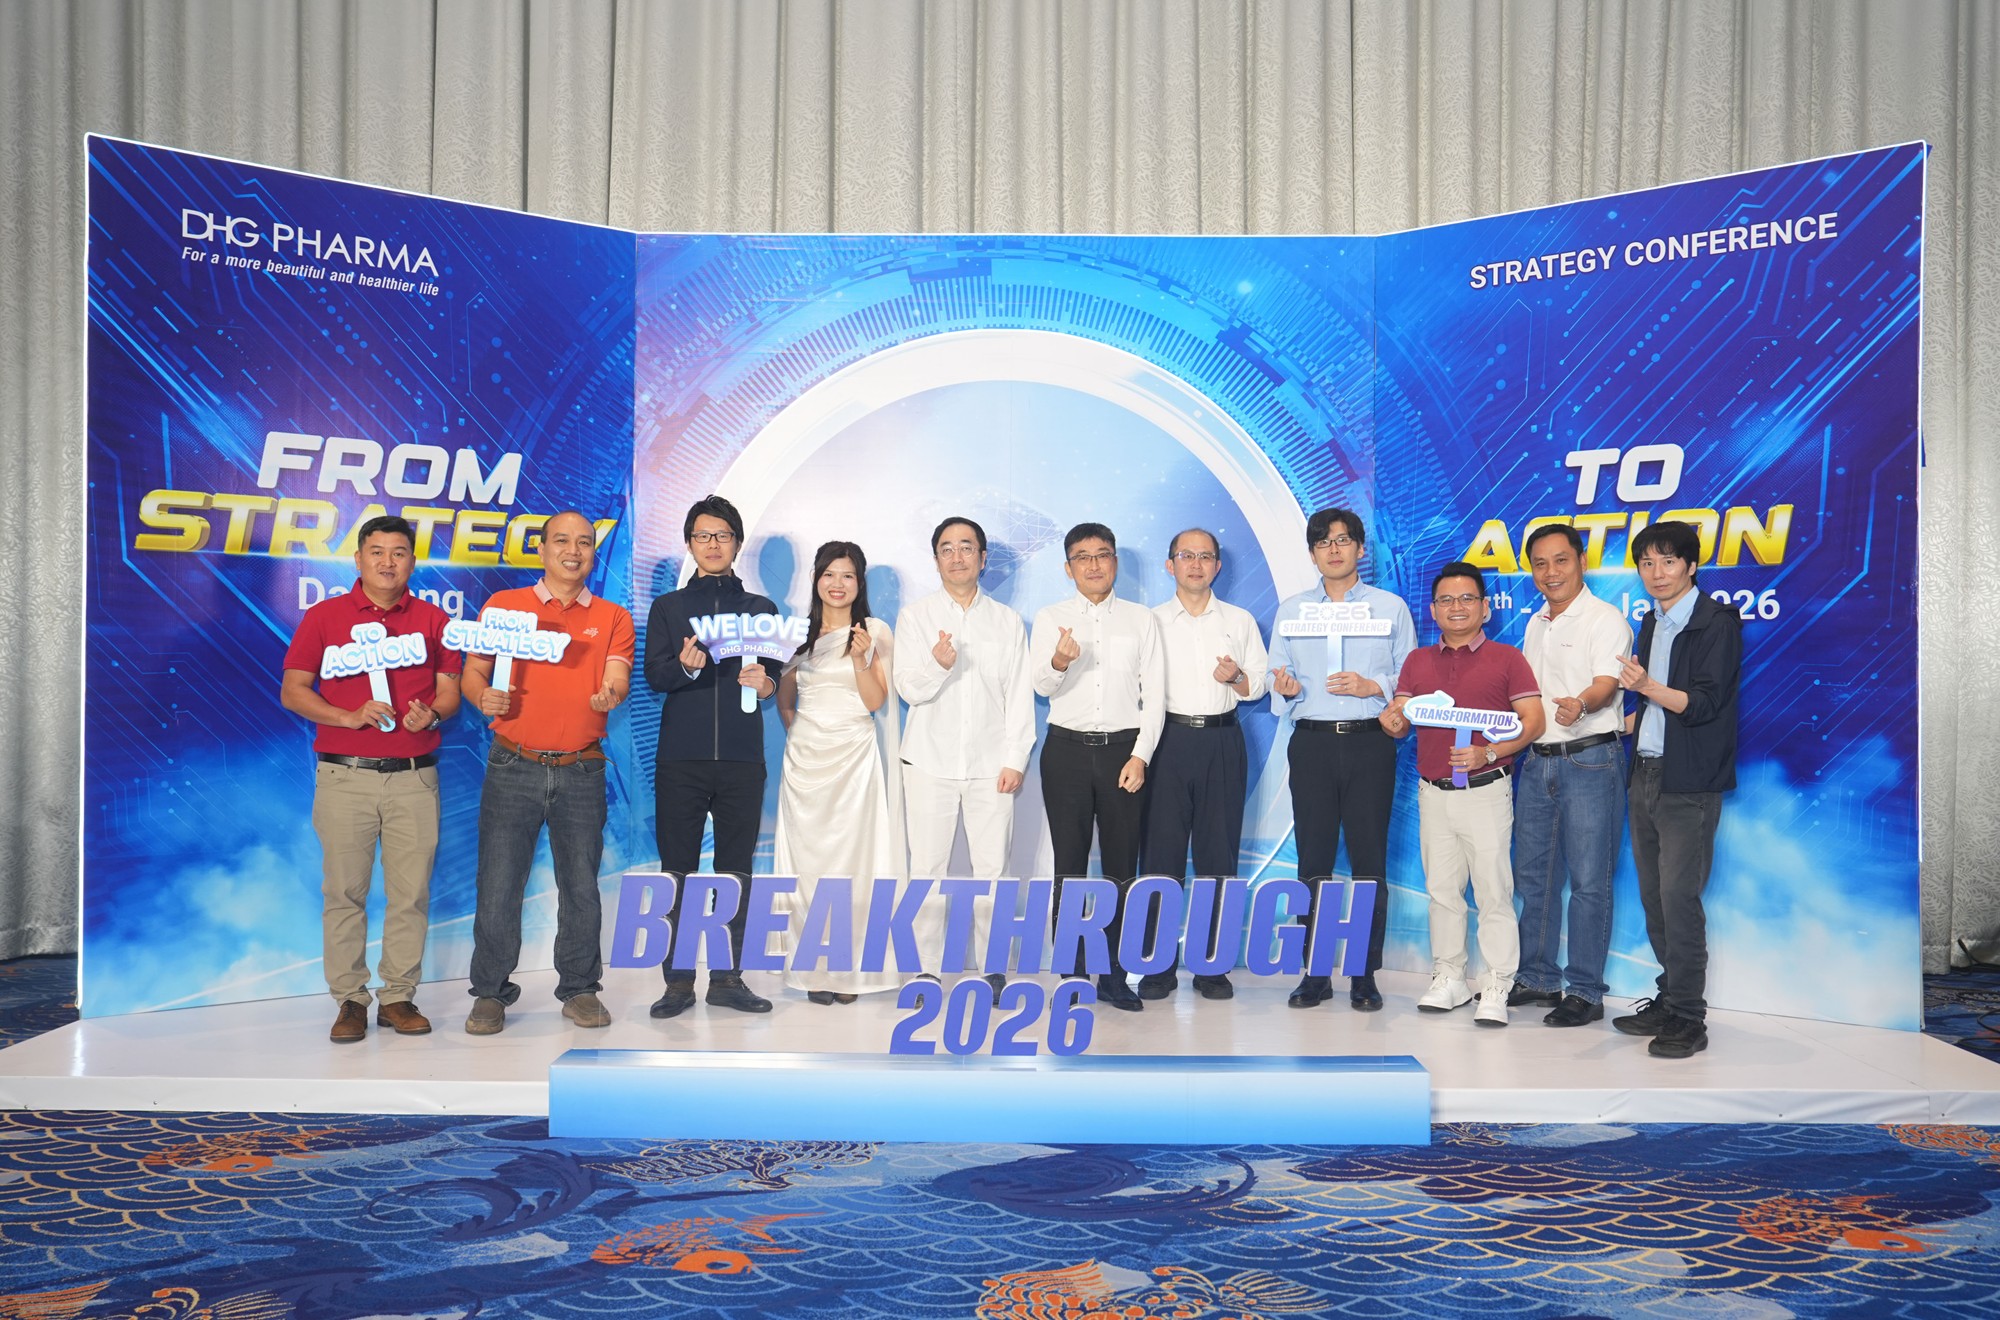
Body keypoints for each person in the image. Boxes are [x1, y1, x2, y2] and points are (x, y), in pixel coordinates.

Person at [280, 514, 462, 1044]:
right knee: (344, 892)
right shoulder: (325, 617)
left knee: (411, 894)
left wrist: (432, 713)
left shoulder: (433, 620)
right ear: (358, 559)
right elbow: (294, 690)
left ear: (412, 561)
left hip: (414, 780)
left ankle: (398, 996)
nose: (387, 562)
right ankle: (350, 1001)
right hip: (345, 777)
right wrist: (348, 715)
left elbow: (450, 692)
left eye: (398, 553)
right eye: (377, 552)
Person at [461, 511, 634, 1035]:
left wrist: (610, 694)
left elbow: (618, 675)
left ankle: (580, 989)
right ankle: (489, 993)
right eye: (562, 540)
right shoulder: (504, 606)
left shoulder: (612, 616)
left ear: (593, 553)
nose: (573, 551)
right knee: (498, 884)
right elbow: (474, 672)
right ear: (541, 549)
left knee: (581, 885)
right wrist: (481, 696)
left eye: (584, 542)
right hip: (513, 763)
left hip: (582, 768)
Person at [1381, 562, 1543, 1026]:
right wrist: (1392, 721)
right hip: (1433, 793)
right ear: (1433, 609)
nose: (1457, 607)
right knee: (1442, 891)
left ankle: (1497, 983)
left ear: (1485, 608)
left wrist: (1488, 753)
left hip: (1486, 791)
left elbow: (1534, 722)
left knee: (1493, 890)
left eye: (1467, 598)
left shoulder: (1508, 659)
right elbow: (1401, 720)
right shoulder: (1417, 662)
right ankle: (1449, 977)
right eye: (1447, 600)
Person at [1267, 508, 1416, 1012]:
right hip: (1311, 743)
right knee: (1313, 861)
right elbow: (1275, 678)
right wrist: (1285, 687)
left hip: (1369, 743)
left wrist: (1374, 686)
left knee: (1369, 861)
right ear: (1312, 554)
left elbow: (1410, 678)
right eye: (1323, 542)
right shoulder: (1292, 610)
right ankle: (1314, 973)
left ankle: (1364, 974)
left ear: (1360, 549)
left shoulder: (1389, 607)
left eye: (1343, 540)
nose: (1334, 550)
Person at [643, 494, 777, 1019]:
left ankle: (727, 978)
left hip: (742, 761)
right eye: (703, 536)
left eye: (722, 535)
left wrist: (765, 684)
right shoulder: (669, 607)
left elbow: (773, 677)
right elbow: (655, 676)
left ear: (737, 544)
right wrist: (687, 668)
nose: (713, 544)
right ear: (690, 544)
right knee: (675, 870)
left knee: (735, 871)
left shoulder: (760, 610)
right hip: (682, 760)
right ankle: (677, 983)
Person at [1613, 519, 1742, 1059]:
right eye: (1647, 563)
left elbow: (1705, 704)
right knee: (1653, 898)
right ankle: (1670, 997)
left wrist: (1647, 687)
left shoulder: (1716, 623)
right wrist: (1621, 719)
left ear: (1691, 565)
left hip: (1688, 782)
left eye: (1668, 561)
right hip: (1644, 772)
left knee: (1679, 899)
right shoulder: (1653, 621)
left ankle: (1689, 1018)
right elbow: (1654, 706)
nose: (1657, 572)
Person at [893, 517, 1033, 999]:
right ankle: (925, 970)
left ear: (983, 558)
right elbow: (908, 689)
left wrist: (1015, 758)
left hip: (992, 766)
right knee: (927, 870)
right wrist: (938, 665)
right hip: (928, 762)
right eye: (947, 548)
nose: (957, 557)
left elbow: (1019, 696)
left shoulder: (1007, 622)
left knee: (994, 871)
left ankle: (994, 968)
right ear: (936, 559)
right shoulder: (915, 617)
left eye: (966, 547)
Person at [1029, 522, 1165, 1013]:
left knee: (1120, 868)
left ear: (1115, 562)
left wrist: (1141, 756)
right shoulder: (1051, 617)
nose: (1093, 564)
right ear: (1068, 569)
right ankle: (1070, 972)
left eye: (1102, 554)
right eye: (1082, 557)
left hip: (1122, 752)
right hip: (1065, 751)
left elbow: (1156, 697)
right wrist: (1059, 662)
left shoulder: (1141, 619)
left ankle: (1113, 975)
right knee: (1068, 865)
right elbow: (1041, 686)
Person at [1137, 528, 1268, 1001]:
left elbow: (1259, 686)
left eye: (1206, 556)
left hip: (1221, 740)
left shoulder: (1239, 620)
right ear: (1169, 564)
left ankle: (1213, 966)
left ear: (1218, 566)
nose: (1196, 564)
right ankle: (1155, 966)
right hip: (1166, 741)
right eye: (1186, 555)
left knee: (1219, 854)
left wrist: (1236, 677)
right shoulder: (1149, 622)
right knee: (1160, 856)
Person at [1510, 523, 1633, 1028]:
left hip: (1590, 760)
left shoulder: (1605, 619)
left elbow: (1606, 684)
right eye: (1540, 564)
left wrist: (1581, 704)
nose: (1551, 572)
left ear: (1582, 561)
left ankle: (1585, 990)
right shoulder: (1535, 623)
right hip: (1536, 760)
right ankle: (1538, 977)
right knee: (1534, 876)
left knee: (1589, 881)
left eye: (1561, 560)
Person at [776, 540, 903, 1004]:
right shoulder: (796, 635)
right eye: (829, 574)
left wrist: (860, 660)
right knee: (808, 865)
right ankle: (812, 968)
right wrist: (802, 733)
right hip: (805, 763)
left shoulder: (874, 631)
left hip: (854, 758)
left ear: (859, 583)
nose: (837, 583)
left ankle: (848, 970)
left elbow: (875, 701)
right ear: (815, 579)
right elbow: (784, 697)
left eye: (847, 575)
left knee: (853, 863)